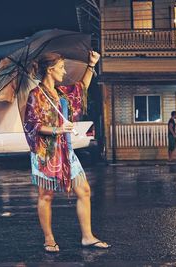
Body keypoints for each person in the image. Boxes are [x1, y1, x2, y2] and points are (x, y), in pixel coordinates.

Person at [23, 51, 110, 252]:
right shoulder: (35, 95)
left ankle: (87, 237)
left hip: (66, 150)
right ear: (50, 69)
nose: (64, 71)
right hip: (46, 152)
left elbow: (81, 88)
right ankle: (48, 238)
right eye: (61, 67)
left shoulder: (61, 93)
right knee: (46, 195)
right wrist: (57, 129)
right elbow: (32, 125)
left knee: (85, 190)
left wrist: (91, 65)